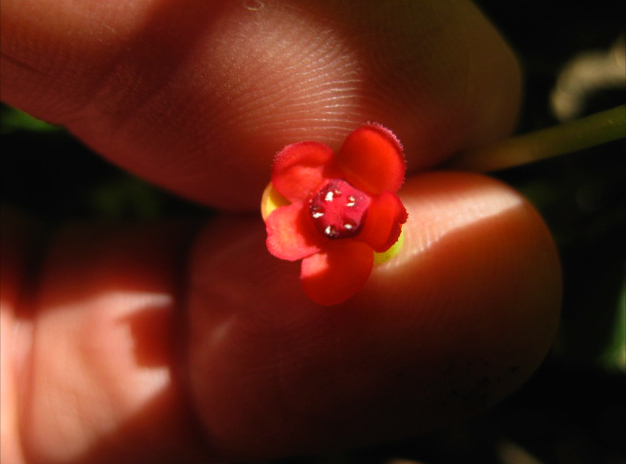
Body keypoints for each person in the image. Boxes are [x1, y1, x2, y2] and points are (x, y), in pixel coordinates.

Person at [0, 1, 561, 463]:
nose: (335, 205)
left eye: (340, 205)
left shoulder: (372, 193)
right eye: (333, 203)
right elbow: (289, 219)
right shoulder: (308, 204)